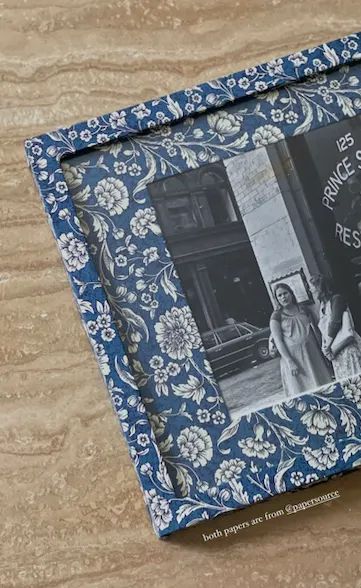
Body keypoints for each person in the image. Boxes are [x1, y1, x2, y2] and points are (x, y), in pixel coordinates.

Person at [270, 282, 331, 398]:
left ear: (291, 294)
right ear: (277, 299)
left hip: (312, 355)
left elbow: (318, 330)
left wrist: (323, 350)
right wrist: (290, 361)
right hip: (294, 359)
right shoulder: (276, 316)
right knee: (302, 391)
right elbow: (278, 341)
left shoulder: (304, 309)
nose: (283, 297)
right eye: (280, 295)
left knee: (322, 386)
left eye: (285, 293)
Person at [310, 274, 361, 380]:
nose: (311, 290)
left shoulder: (336, 300)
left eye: (312, 287)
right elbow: (324, 329)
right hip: (335, 352)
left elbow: (334, 323)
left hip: (346, 347)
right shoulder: (322, 306)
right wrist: (325, 347)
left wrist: (327, 347)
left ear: (319, 287)